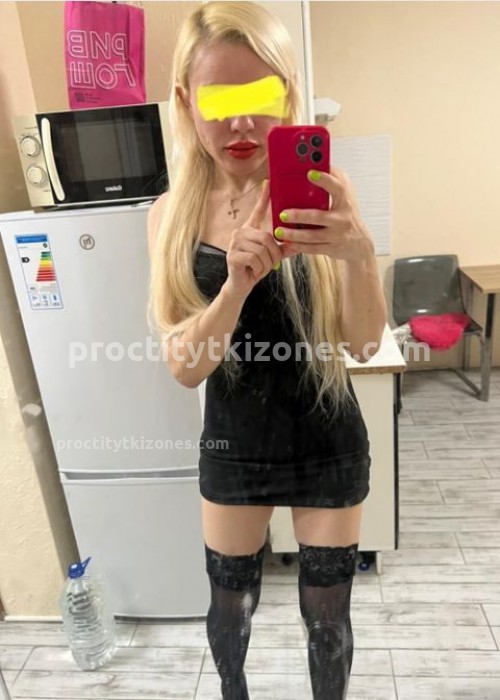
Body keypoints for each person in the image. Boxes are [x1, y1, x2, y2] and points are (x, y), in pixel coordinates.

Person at [148, 2, 387, 698]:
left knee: (328, 622)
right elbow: (184, 368)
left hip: (327, 438)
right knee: (230, 615)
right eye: (222, 101)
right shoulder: (170, 216)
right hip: (234, 446)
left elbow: (364, 343)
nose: (243, 123)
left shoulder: (325, 197)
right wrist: (236, 287)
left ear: (287, 94)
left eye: (260, 95)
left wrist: (359, 253)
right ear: (187, 102)